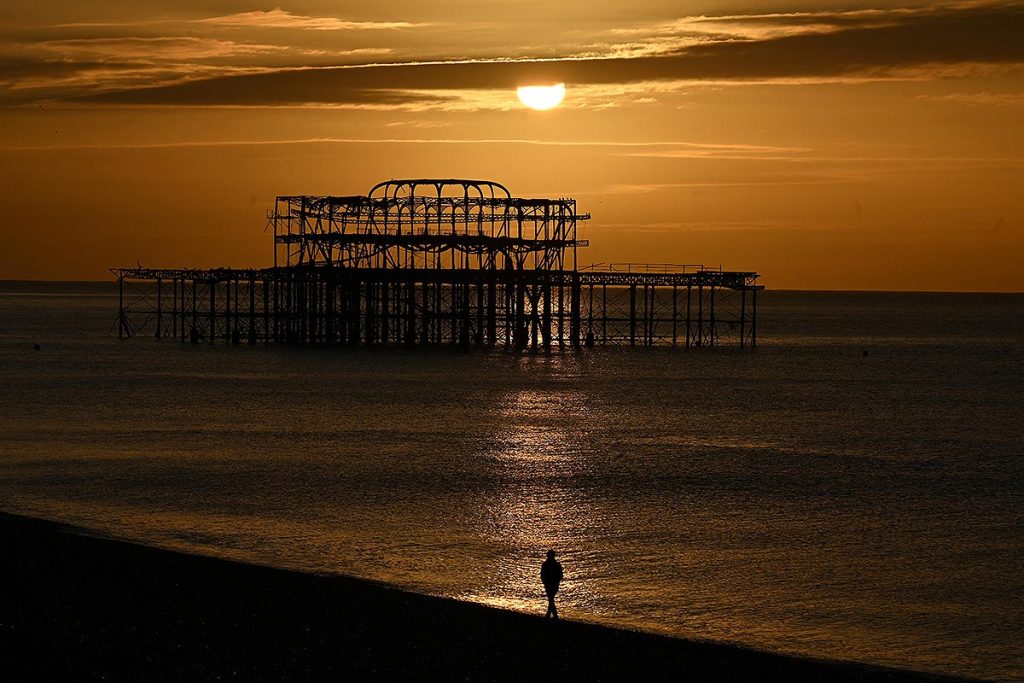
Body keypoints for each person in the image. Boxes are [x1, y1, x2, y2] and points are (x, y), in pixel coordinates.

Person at [540, 549, 563, 620]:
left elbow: (560, 575)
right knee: (551, 598)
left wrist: (545, 581)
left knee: (551, 598)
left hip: (552, 584)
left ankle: (551, 615)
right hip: (550, 584)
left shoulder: (548, 564)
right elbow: (542, 575)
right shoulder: (553, 564)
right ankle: (552, 615)